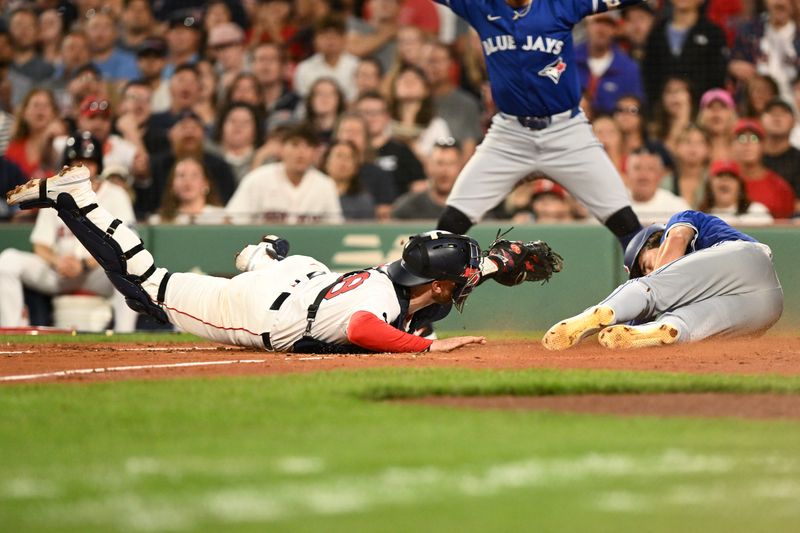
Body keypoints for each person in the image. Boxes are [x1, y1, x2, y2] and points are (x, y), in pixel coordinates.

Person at [8, 167, 491, 353]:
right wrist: (427, 348)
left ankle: (260, 254)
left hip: (303, 277)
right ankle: (78, 199)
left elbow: (432, 289)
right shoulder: (387, 306)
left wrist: (494, 265)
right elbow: (365, 327)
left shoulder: (391, 275)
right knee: (146, 287)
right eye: (463, 281)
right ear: (441, 285)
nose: (465, 287)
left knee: (294, 268)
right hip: (261, 313)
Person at [432, 0, 643, 249]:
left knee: (626, 223)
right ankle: (427, 285)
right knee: (450, 224)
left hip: (566, 132)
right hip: (510, 134)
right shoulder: (480, 5)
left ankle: (649, 285)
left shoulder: (560, 5)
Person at [542, 211, 783, 350]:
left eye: (646, 265)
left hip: (745, 259)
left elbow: (677, 238)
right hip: (768, 308)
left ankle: (603, 310)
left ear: (656, 239)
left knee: (652, 291)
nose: (649, 271)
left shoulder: (680, 222)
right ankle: (660, 330)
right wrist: (634, 329)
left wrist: (651, 288)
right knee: (680, 325)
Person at [0, 134, 138, 332]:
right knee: (7, 261)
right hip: (60, 272)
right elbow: (41, 244)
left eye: (88, 162)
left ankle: (126, 336)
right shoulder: (54, 195)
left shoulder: (116, 194)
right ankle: (11, 334)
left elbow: (125, 244)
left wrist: (83, 264)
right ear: (67, 166)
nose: (83, 168)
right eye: (77, 162)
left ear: (98, 165)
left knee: (130, 268)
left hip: (99, 273)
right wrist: (58, 262)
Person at [225, 124, 343, 224]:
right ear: (281, 149)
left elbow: (335, 229)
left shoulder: (325, 185)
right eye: (295, 145)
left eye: (308, 146)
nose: (301, 153)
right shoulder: (257, 179)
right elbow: (231, 221)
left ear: (315, 153)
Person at [641, 0, 727, 110]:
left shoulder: (713, 33)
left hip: (700, 113)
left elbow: (717, 79)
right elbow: (649, 77)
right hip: (661, 115)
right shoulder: (656, 33)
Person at [355, 90, 427, 195]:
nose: (371, 118)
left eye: (377, 112)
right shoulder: (349, 151)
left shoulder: (402, 150)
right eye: (366, 112)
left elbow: (420, 184)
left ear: (387, 116)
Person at [575, 11, 644, 116]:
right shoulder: (568, 61)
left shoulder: (628, 68)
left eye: (608, 24)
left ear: (616, 30)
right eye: (597, 22)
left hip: (613, 129)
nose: (601, 29)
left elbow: (635, 110)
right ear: (587, 26)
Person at [731, 118, 796, 219]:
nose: (747, 144)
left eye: (754, 139)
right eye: (741, 138)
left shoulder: (780, 188)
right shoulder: (721, 184)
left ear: (763, 146)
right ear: (732, 145)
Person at [392, 138, 462, 220]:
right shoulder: (407, 207)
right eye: (439, 163)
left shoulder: (471, 207)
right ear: (428, 167)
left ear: (460, 168)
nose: (444, 171)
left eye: (451, 164)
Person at [293, 15, 359, 102]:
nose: (330, 40)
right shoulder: (304, 68)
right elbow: (303, 101)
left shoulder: (357, 65)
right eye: (325, 36)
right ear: (315, 40)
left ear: (344, 39)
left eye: (335, 35)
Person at [148, 156, 226, 225]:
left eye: (194, 175)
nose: (187, 181)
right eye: (181, 175)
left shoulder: (222, 218)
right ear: (172, 185)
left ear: (206, 184)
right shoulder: (158, 222)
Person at [627, 148, 691, 224]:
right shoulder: (616, 204)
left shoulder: (677, 207)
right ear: (627, 173)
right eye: (637, 168)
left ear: (660, 175)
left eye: (650, 169)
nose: (643, 175)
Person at [699, 160, 773, 225]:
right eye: (720, 176)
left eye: (731, 176)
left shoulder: (757, 212)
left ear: (740, 186)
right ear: (710, 185)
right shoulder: (701, 218)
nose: (725, 180)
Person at [760, 98, 800, 214]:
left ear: (794, 122)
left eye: (783, 113)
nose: (777, 117)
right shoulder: (753, 157)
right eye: (771, 113)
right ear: (761, 120)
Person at [321, 140, 376, 220]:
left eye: (349, 157)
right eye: (339, 156)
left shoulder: (363, 200)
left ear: (356, 167)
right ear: (326, 162)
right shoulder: (313, 193)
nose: (343, 162)